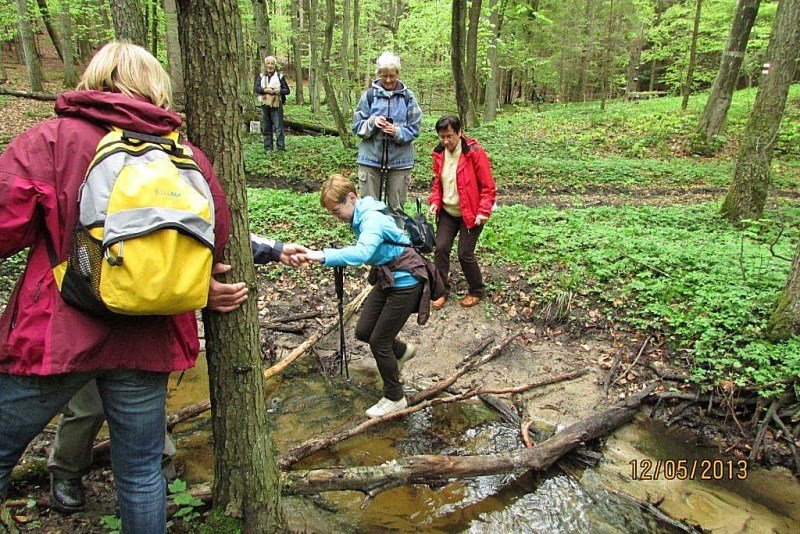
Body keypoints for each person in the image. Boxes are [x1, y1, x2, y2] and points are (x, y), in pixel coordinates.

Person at [0, 41, 262, 533]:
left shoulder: (51, 140)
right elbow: (216, 237)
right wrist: (199, 285)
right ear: (155, 87)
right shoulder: (186, 155)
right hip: (148, 336)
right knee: (142, 472)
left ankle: (65, 478)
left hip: (59, 331)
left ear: (93, 77)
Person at [47, 233, 303, 514]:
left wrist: (276, 250)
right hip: (92, 312)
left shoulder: (173, 194)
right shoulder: (90, 198)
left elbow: (211, 228)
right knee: (88, 407)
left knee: (147, 398)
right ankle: (66, 471)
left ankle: (161, 465)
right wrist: (195, 287)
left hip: (150, 322)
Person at [295, 175, 441, 418]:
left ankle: (395, 397)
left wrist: (321, 255)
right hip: (388, 278)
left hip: (406, 281)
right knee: (364, 331)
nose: (335, 216)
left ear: (352, 198)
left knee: (379, 341)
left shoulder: (371, 218)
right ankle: (403, 352)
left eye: (336, 210)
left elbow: (362, 253)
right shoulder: (361, 215)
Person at [427, 115, 497, 309]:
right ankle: (441, 291)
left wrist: (483, 211)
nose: (446, 141)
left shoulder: (474, 153)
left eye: (449, 136)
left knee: (465, 253)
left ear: (459, 132)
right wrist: (434, 202)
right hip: (448, 211)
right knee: (441, 248)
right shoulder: (439, 153)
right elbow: (438, 183)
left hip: (471, 213)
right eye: (442, 137)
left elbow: (488, 187)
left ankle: (477, 290)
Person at [352, 51, 423, 227]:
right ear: (378, 75)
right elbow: (356, 126)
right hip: (370, 159)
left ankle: (396, 251)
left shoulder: (408, 98)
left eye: (392, 76)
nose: (389, 80)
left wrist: (397, 132)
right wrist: (372, 122)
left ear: (398, 74)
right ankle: (370, 248)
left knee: (396, 209)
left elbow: (415, 129)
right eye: (384, 76)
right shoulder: (369, 96)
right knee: (370, 209)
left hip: (400, 162)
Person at [254, 55, 290, 152]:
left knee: (278, 127)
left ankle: (281, 149)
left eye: (272, 63)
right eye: (268, 63)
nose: (270, 65)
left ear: (275, 65)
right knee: (266, 127)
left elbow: (287, 90)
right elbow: (256, 89)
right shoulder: (261, 76)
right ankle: (268, 149)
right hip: (264, 103)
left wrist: (278, 91)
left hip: (276, 104)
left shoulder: (280, 76)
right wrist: (265, 90)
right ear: (265, 65)